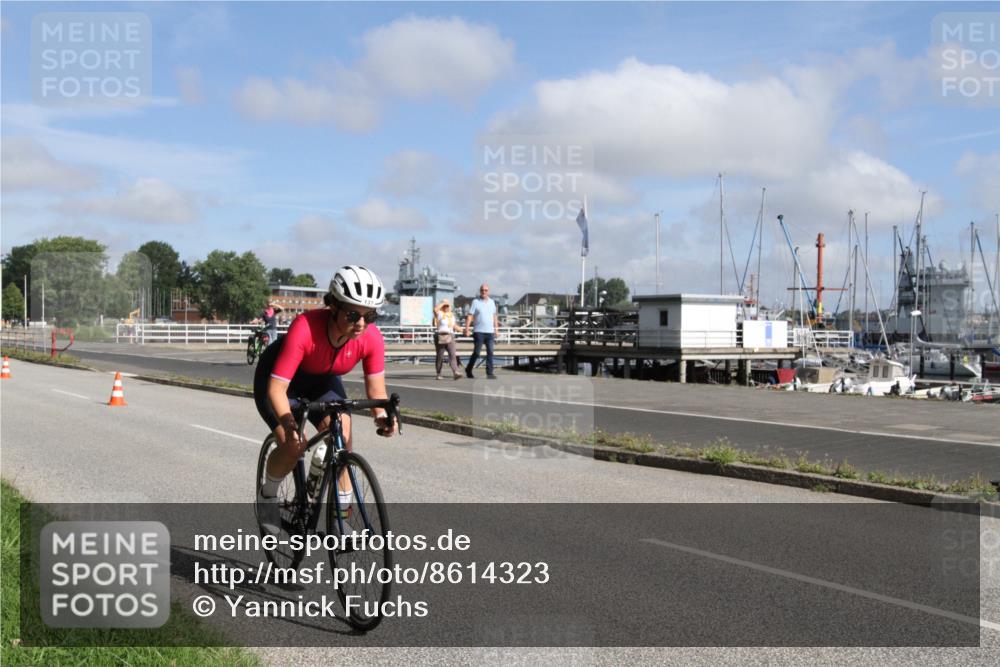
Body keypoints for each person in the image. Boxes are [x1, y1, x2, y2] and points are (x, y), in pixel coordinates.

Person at [253, 265, 396, 534]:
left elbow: (377, 391)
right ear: (333, 307)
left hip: (322, 380)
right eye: (353, 314)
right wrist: (290, 425)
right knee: (294, 445)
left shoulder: (371, 337)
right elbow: (276, 390)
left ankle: (339, 518)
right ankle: (267, 496)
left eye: (370, 316)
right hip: (281, 382)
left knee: (343, 434)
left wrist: (382, 416)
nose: (361, 324)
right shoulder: (305, 328)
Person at [463, 283, 499, 379]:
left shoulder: (492, 302)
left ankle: (489, 373)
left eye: (486, 290)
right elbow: (470, 316)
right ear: (480, 291)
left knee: (490, 352)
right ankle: (469, 369)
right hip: (479, 331)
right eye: (482, 290)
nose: (484, 292)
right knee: (477, 352)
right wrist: (466, 329)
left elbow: (494, 316)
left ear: (488, 291)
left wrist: (496, 329)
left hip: (490, 332)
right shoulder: (475, 302)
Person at [433, 300, 462, 380]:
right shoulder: (439, 314)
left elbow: (454, 326)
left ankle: (455, 372)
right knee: (440, 356)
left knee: (452, 354)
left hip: (450, 335)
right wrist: (443, 303)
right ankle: (438, 374)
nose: (446, 307)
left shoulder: (451, 315)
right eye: (445, 306)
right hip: (441, 335)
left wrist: (463, 330)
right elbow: (435, 310)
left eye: (448, 306)